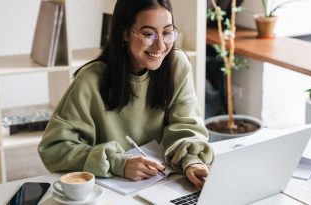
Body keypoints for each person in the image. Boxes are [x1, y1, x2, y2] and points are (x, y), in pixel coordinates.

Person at [38, 0, 214, 189]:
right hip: (109, 192)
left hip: (164, 183)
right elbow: (54, 148)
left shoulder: (177, 66)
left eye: (167, 33)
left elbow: (187, 126)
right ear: (124, 33)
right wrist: (119, 163)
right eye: (149, 34)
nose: (161, 46)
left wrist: (192, 161)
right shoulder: (90, 80)